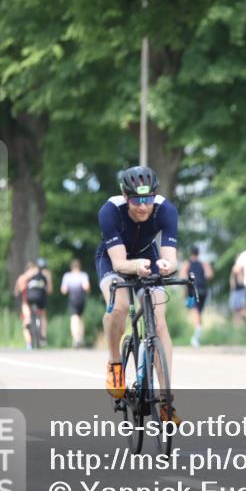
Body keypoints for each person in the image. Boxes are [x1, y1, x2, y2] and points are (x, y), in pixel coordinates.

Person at [96, 165, 180, 417]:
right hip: (113, 260)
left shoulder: (166, 210)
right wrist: (134, 267)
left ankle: (165, 400)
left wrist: (167, 266)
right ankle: (115, 364)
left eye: (148, 199)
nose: (143, 206)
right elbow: (121, 263)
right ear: (125, 196)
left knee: (159, 319)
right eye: (136, 200)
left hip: (147, 257)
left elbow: (170, 258)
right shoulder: (110, 211)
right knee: (119, 307)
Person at [180, 246, 214, 347]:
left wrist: (189, 279)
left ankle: (196, 336)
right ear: (198, 253)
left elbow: (182, 276)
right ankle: (197, 335)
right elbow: (209, 275)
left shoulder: (187, 263)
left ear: (190, 253)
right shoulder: (203, 264)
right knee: (198, 312)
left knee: (195, 311)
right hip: (203, 290)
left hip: (193, 291)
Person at [15, 259, 52, 349]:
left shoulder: (26, 275)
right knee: (43, 315)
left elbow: (18, 289)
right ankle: (43, 335)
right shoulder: (45, 274)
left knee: (25, 308)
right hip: (41, 299)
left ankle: (28, 342)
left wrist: (18, 290)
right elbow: (50, 290)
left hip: (28, 299)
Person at [60, 259, 91, 348]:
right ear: (79, 267)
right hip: (82, 298)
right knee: (81, 318)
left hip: (72, 298)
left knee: (74, 318)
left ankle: (76, 338)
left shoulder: (67, 276)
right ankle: (81, 337)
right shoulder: (83, 275)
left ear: (71, 267)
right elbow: (87, 287)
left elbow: (63, 290)